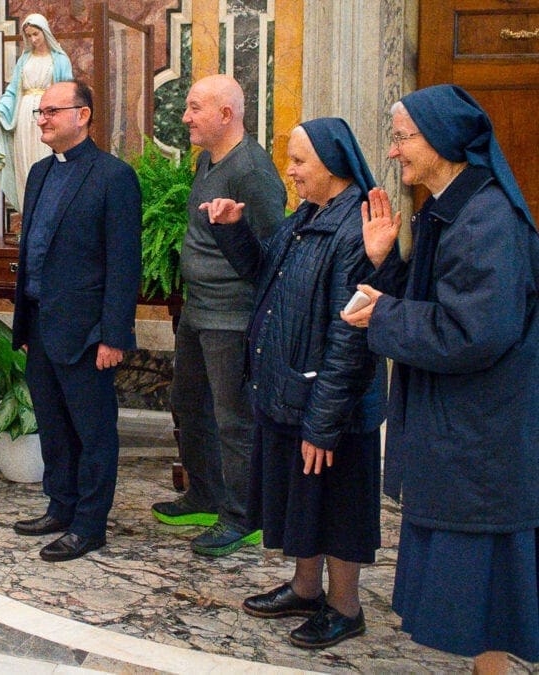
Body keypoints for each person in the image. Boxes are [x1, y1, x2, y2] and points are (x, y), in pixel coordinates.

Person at [342, 85, 538, 673]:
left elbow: (476, 331)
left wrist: (384, 314)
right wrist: (385, 266)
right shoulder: (453, 206)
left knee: (490, 578)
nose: (395, 151)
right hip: (464, 426)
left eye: (403, 137)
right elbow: (440, 303)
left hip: (482, 432)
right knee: (486, 590)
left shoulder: (485, 218)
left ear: (445, 141)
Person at [202, 118, 384, 648]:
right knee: (303, 501)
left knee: (338, 505)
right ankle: (306, 588)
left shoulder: (354, 228)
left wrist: (322, 424)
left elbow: (349, 337)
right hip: (293, 389)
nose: (290, 170)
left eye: (299, 161)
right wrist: (232, 230)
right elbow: (265, 274)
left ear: (331, 164)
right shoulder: (307, 215)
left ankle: (345, 607)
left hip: (334, 405)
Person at [150, 74, 286, 557]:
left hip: (232, 316)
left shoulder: (252, 169)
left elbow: (276, 248)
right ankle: (205, 494)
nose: (184, 118)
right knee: (189, 404)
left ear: (226, 114)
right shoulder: (208, 159)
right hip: (198, 309)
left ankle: (243, 514)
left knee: (234, 419)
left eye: (193, 108)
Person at [9, 80, 141, 562]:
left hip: (87, 332)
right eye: (39, 112)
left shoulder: (113, 176)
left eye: (51, 111)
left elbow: (125, 263)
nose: (41, 119)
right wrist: (25, 324)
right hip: (42, 325)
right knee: (53, 424)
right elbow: (34, 251)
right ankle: (60, 506)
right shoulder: (40, 172)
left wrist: (113, 334)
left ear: (82, 115)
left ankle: (89, 524)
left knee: (93, 431)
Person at [0, 13, 72, 212]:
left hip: (48, 116)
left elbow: (68, 92)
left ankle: (49, 214)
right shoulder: (24, 60)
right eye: (29, 35)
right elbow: (12, 92)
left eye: (36, 34)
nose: (33, 39)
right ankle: (27, 216)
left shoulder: (60, 59)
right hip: (24, 117)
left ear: (45, 32)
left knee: (46, 160)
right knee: (25, 165)